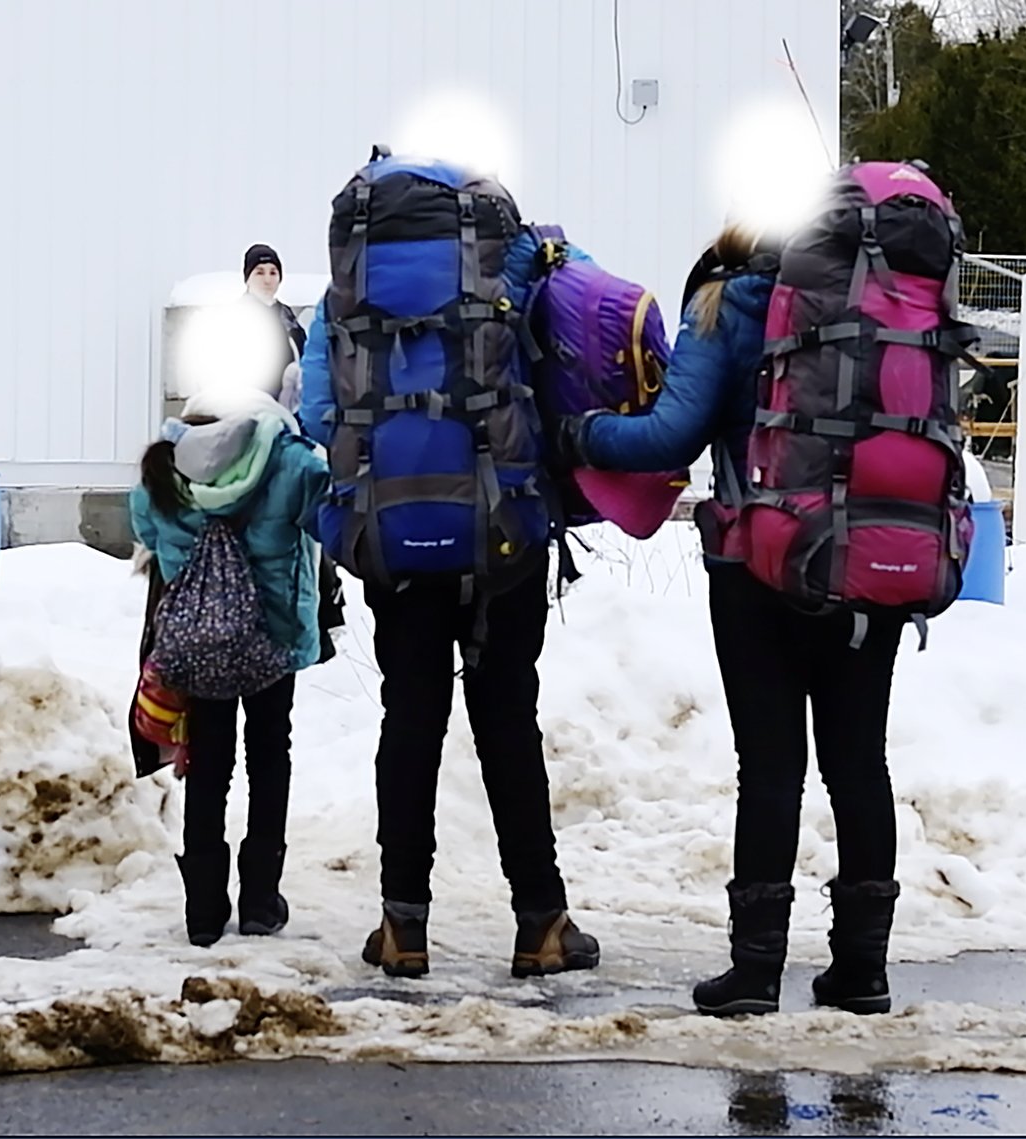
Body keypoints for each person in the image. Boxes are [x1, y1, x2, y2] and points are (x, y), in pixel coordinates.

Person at [561, 223, 907, 1019]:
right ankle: (863, 968)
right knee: (859, 762)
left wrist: (582, 432)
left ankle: (754, 972)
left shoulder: (728, 303)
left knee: (773, 768)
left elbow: (669, 434)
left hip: (758, 566)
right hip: (867, 561)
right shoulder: (883, 305)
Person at [298, 163, 599, 982]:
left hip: (394, 536)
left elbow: (320, 414)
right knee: (508, 721)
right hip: (503, 533)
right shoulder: (516, 268)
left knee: (410, 722)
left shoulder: (343, 299)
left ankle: (403, 926)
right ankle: (541, 922)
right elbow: (572, 362)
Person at [130, 388, 329, 947]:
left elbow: (147, 535)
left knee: (211, 765)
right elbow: (323, 515)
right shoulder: (286, 462)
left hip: (199, 646)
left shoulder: (161, 469)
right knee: (270, 757)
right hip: (273, 639)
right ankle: (262, 900)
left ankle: (203, 910)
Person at [243, 244, 307, 409]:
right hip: (251, 408)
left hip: (291, 408)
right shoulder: (236, 315)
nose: (267, 280)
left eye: (273, 272)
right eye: (259, 272)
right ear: (247, 278)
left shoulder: (286, 314)